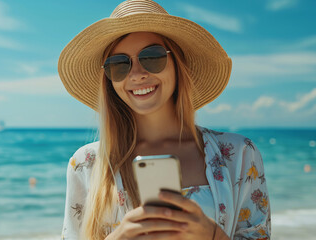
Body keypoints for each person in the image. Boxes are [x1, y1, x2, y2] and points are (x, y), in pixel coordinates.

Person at [58, 0, 271, 239]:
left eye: (152, 57)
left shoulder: (239, 155)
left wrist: (212, 235)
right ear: (108, 79)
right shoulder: (86, 164)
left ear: (178, 64)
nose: (137, 74)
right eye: (119, 64)